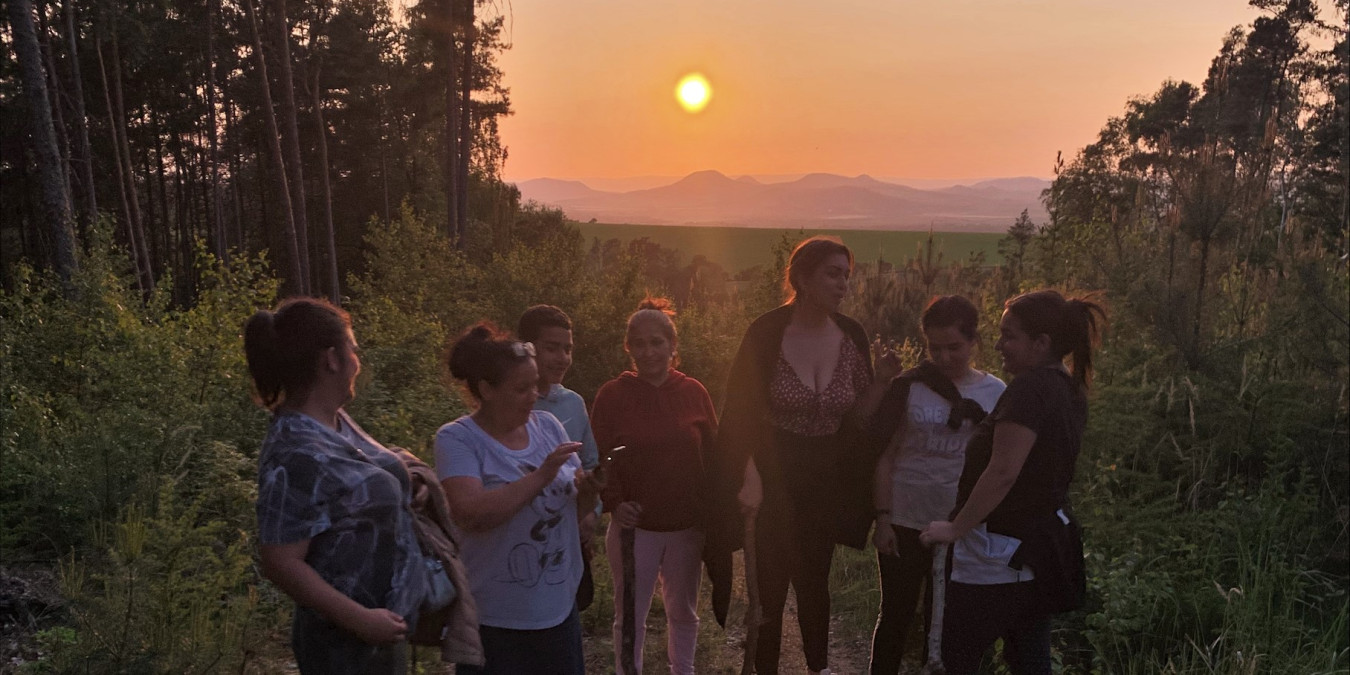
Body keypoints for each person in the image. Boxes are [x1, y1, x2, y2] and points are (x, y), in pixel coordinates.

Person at [710, 236, 882, 675]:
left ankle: (819, 668)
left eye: (846, 275)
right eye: (832, 274)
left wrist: (885, 385)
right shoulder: (767, 332)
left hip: (826, 480)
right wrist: (748, 475)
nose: (843, 284)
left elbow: (860, 418)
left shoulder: (852, 335)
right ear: (802, 278)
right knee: (769, 589)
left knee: (814, 584)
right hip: (772, 475)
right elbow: (740, 412)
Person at [920, 290, 1106, 675]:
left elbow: (1003, 472)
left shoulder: (1028, 390)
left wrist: (955, 528)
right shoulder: (1067, 387)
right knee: (1029, 658)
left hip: (998, 554)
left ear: (1041, 343)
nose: (999, 345)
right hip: (1040, 549)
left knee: (956, 657)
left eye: (1009, 336)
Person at [244, 298, 427, 674]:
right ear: (331, 359)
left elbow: (359, 476)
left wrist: (408, 483)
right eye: (353, 350)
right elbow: (281, 562)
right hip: (344, 647)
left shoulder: (334, 420)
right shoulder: (295, 450)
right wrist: (362, 621)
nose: (357, 362)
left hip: (383, 632)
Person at [434, 323, 594, 675]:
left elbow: (576, 512)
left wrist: (592, 491)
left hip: (558, 611)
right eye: (522, 388)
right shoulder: (458, 439)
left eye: (535, 384)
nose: (534, 395)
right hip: (495, 622)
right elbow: (470, 513)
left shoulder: (549, 426)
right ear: (487, 390)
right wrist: (542, 474)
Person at [859, 296, 1006, 674]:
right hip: (905, 519)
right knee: (895, 613)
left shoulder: (995, 393)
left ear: (974, 341)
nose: (943, 357)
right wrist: (883, 519)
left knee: (946, 619)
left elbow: (1001, 464)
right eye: (934, 348)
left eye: (953, 347)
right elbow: (884, 455)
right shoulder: (908, 387)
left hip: (963, 524)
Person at [591, 297, 718, 675]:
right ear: (628, 347)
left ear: (672, 345)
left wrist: (716, 509)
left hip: (686, 526)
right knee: (630, 616)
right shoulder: (612, 395)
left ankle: (684, 671)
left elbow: (715, 456)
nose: (648, 352)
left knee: (684, 611)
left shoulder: (693, 392)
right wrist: (615, 502)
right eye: (639, 343)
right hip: (635, 528)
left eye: (656, 342)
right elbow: (599, 454)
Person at [517, 305, 603, 609]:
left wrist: (591, 513)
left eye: (567, 349)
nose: (562, 358)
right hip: (520, 542)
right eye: (551, 348)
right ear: (527, 349)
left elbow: (590, 463)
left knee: (570, 605)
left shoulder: (572, 404)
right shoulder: (506, 402)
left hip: (567, 536)